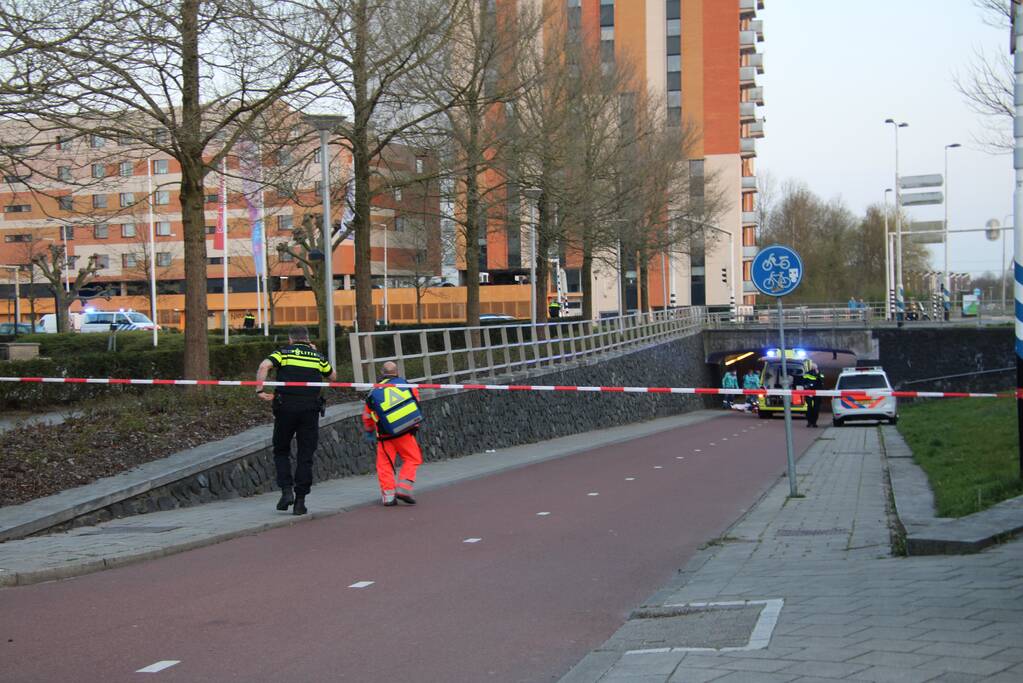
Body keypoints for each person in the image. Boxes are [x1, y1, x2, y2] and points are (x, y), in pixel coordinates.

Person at [255, 326, 335, 515]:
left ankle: (286, 491)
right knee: (305, 454)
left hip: (285, 408)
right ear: (307, 339)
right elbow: (333, 376)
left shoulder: (283, 352)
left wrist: (259, 390)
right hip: (310, 409)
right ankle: (300, 501)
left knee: (281, 450)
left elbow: (263, 366)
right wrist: (317, 354)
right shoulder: (317, 356)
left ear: (290, 339)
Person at [363, 361, 425, 506]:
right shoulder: (406, 385)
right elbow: (416, 405)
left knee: (385, 464)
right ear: (397, 372)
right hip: (405, 432)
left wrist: (369, 429)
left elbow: (367, 414)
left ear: (382, 373)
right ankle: (403, 488)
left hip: (384, 436)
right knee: (412, 459)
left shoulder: (375, 390)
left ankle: (389, 496)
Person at [802, 361, 823, 428]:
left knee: (816, 408)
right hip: (809, 392)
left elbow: (821, 382)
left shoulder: (820, 374)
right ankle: (809, 422)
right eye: (813, 367)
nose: (814, 368)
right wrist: (807, 386)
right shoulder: (807, 374)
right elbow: (803, 382)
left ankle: (814, 422)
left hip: (818, 392)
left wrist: (818, 374)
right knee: (809, 407)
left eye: (815, 368)